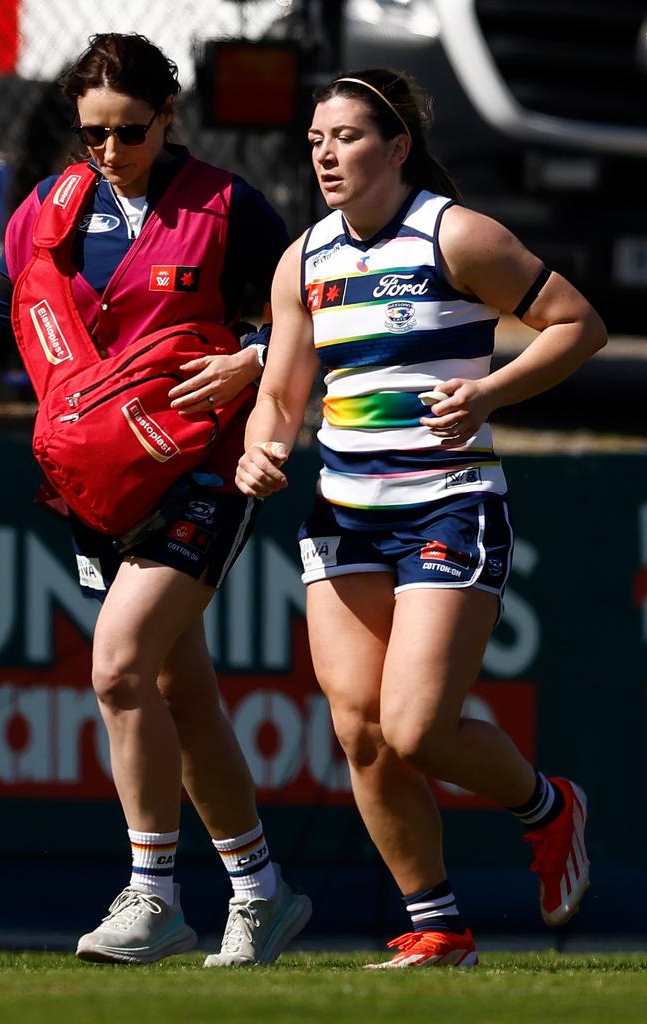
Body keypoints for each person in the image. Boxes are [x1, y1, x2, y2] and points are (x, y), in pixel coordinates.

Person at [0, 32, 311, 967]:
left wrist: (249, 362)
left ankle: (153, 894)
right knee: (181, 689)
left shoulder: (227, 207)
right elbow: (7, 286)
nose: (107, 151)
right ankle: (261, 892)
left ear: (167, 116)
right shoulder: (54, 209)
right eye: (90, 133)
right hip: (97, 480)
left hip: (204, 471)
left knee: (118, 667)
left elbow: (305, 314)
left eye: (128, 132)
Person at [236, 68, 605, 968]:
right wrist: (262, 443)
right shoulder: (305, 258)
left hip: (449, 505)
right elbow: (283, 391)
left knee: (414, 728)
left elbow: (577, 324)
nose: (327, 154)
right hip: (342, 516)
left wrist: (488, 393)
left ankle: (549, 809)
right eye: (318, 139)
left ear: (397, 147)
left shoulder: (455, 233)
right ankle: (437, 927)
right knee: (359, 730)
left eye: (349, 138)